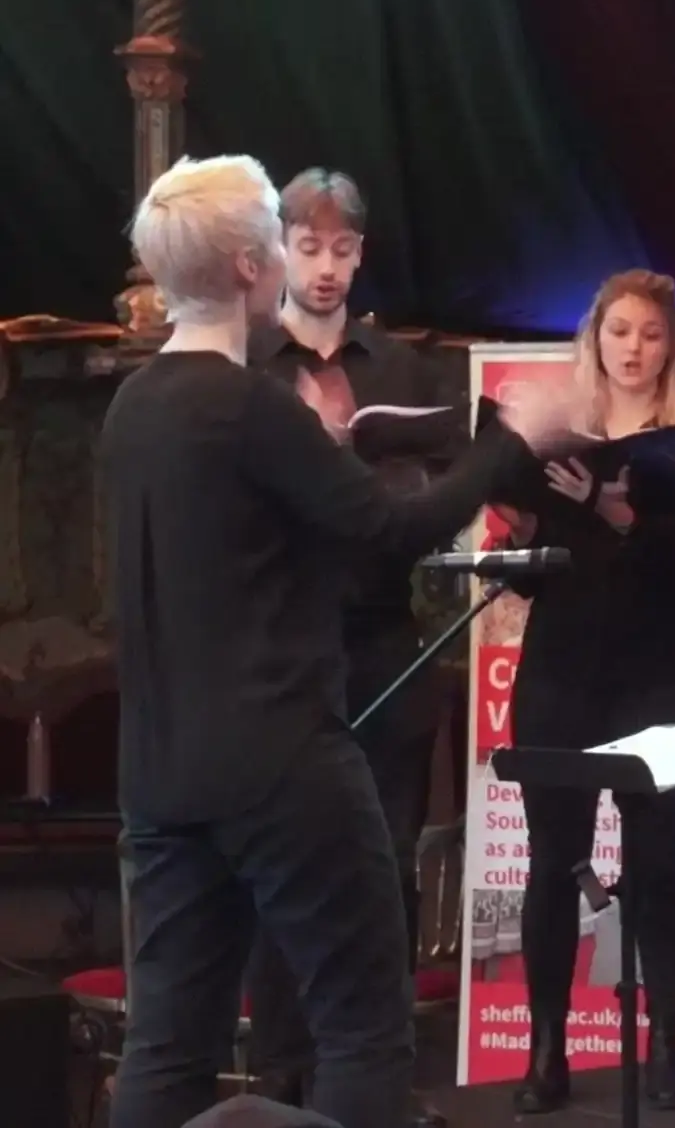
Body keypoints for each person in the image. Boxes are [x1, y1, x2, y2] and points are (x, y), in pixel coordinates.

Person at [100, 154, 563, 1128]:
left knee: (169, 1043)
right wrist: (511, 443)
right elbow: (391, 530)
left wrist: (317, 464)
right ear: (244, 266)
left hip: (159, 767)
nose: (285, 252)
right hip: (278, 757)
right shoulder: (251, 404)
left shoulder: (134, 406)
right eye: (276, 233)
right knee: (361, 1026)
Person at [239, 168, 455, 1121]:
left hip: (380, 636)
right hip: (279, 642)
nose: (325, 268)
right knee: (282, 854)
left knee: (385, 856)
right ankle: (280, 1065)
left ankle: (374, 1067)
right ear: (280, 247)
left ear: (361, 253)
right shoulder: (244, 358)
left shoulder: (402, 369)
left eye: (341, 249)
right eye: (308, 247)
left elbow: (448, 496)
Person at [492, 269, 675, 1114]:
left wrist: (613, 508)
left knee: (659, 868)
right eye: (619, 331)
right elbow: (535, 580)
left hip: (658, 676)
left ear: (671, 345)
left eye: (650, 334)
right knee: (553, 868)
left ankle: (667, 1044)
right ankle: (545, 1055)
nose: (633, 348)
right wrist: (519, 526)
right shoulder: (558, 436)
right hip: (561, 673)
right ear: (595, 338)